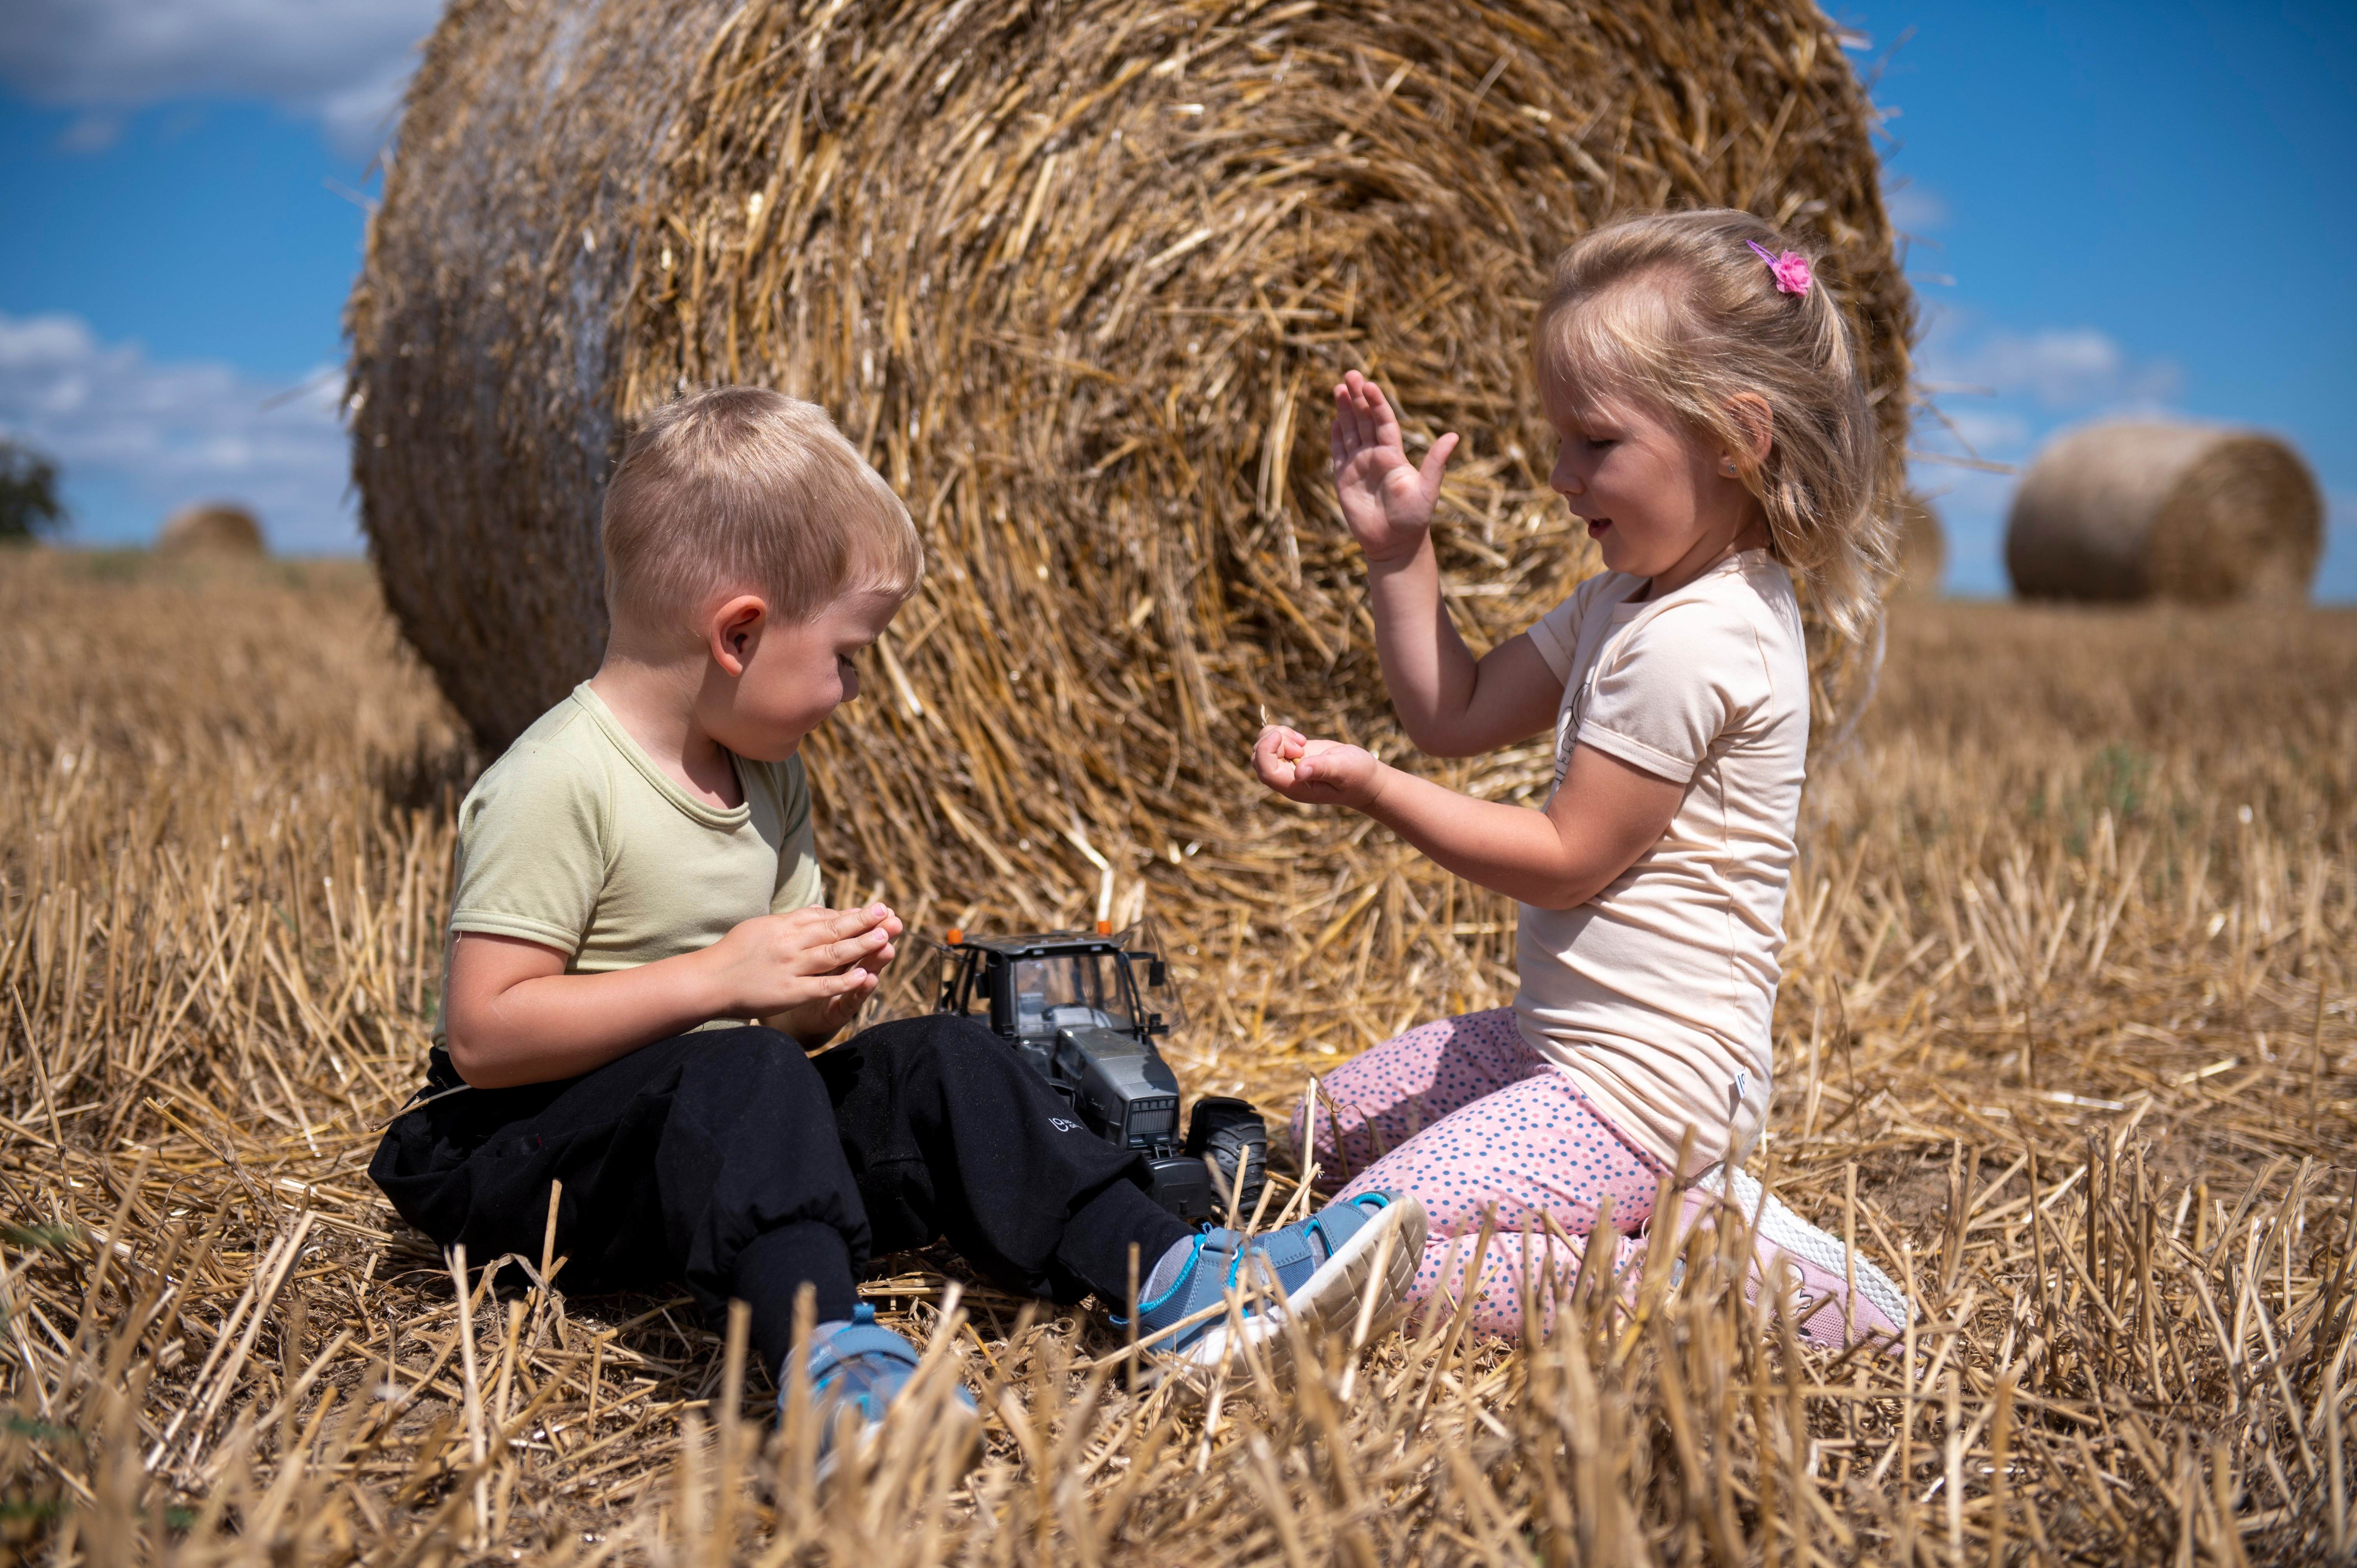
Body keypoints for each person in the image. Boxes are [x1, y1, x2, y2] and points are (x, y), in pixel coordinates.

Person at [371, 387, 1424, 1441]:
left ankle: (1175, 1284)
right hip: (529, 1167)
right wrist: (722, 983)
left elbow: (769, 1040)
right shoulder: (559, 780)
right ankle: (828, 1365)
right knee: (740, 1069)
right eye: (848, 656)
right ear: (739, 634)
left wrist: (812, 1003)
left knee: (940, 1059)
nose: (856, 689)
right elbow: (486, 1037)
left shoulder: (769, 784)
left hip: (707, 1158)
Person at [1254, 210, 1909, 1346]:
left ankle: (1741, 1283)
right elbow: (1452, 714)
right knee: (1315, 1137)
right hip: (1555, 1047)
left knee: (1361, 1256)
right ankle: (1663, 1225)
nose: (1561, 477)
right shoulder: (1625, 602)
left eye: (1594, 442)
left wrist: (1372, 792)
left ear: (1736, 435)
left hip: (1645, 1096)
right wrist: (1400, 551)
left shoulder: (1705, 638)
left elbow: (1565, 864)